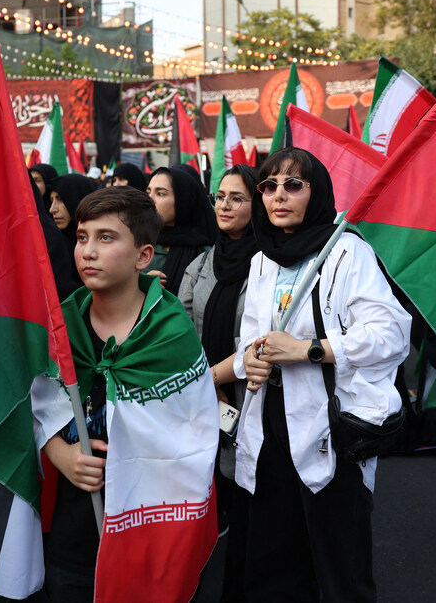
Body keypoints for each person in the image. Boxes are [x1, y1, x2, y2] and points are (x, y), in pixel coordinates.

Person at [232, 148, 410, 602]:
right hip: (268, 425)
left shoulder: (345, 251)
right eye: (268, 186)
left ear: (318, 193)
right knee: (274, 564)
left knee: (339, 566)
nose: (278, 196)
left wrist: (310, 350)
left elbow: (390, 334)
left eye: (294, 185)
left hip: (329, 428)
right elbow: (252, 340)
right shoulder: (260, 260)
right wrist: (251, 359)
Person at [36, 186, 219, 602]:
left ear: (143, 256)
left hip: (151, 529)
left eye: (106, 238)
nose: (88, 251)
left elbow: (195, 436)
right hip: (73, 531)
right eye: (82, 237)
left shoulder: (170, 333)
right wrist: (59, 453)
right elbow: (35, 403)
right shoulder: (61, 328)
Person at [177, 164, 259, 597]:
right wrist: (202, 378)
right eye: (219, 197)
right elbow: (184, 324)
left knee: (247, 487)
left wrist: (221, 377)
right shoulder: (203, 261)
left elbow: (264, 336)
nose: (224, 205)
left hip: (254, 390)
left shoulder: (270, 262)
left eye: (237, 198)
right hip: (203, 389)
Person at [145, 166, 217, 294]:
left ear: (182, 200)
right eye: (148, 192)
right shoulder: (138, 245)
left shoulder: (205, 254)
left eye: (160, 193)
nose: (150, 199)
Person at [48, 174, 95, 289]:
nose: (52, 209)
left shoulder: (103, 244)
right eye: (51, 200)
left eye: (60, 199)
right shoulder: (53, 244)